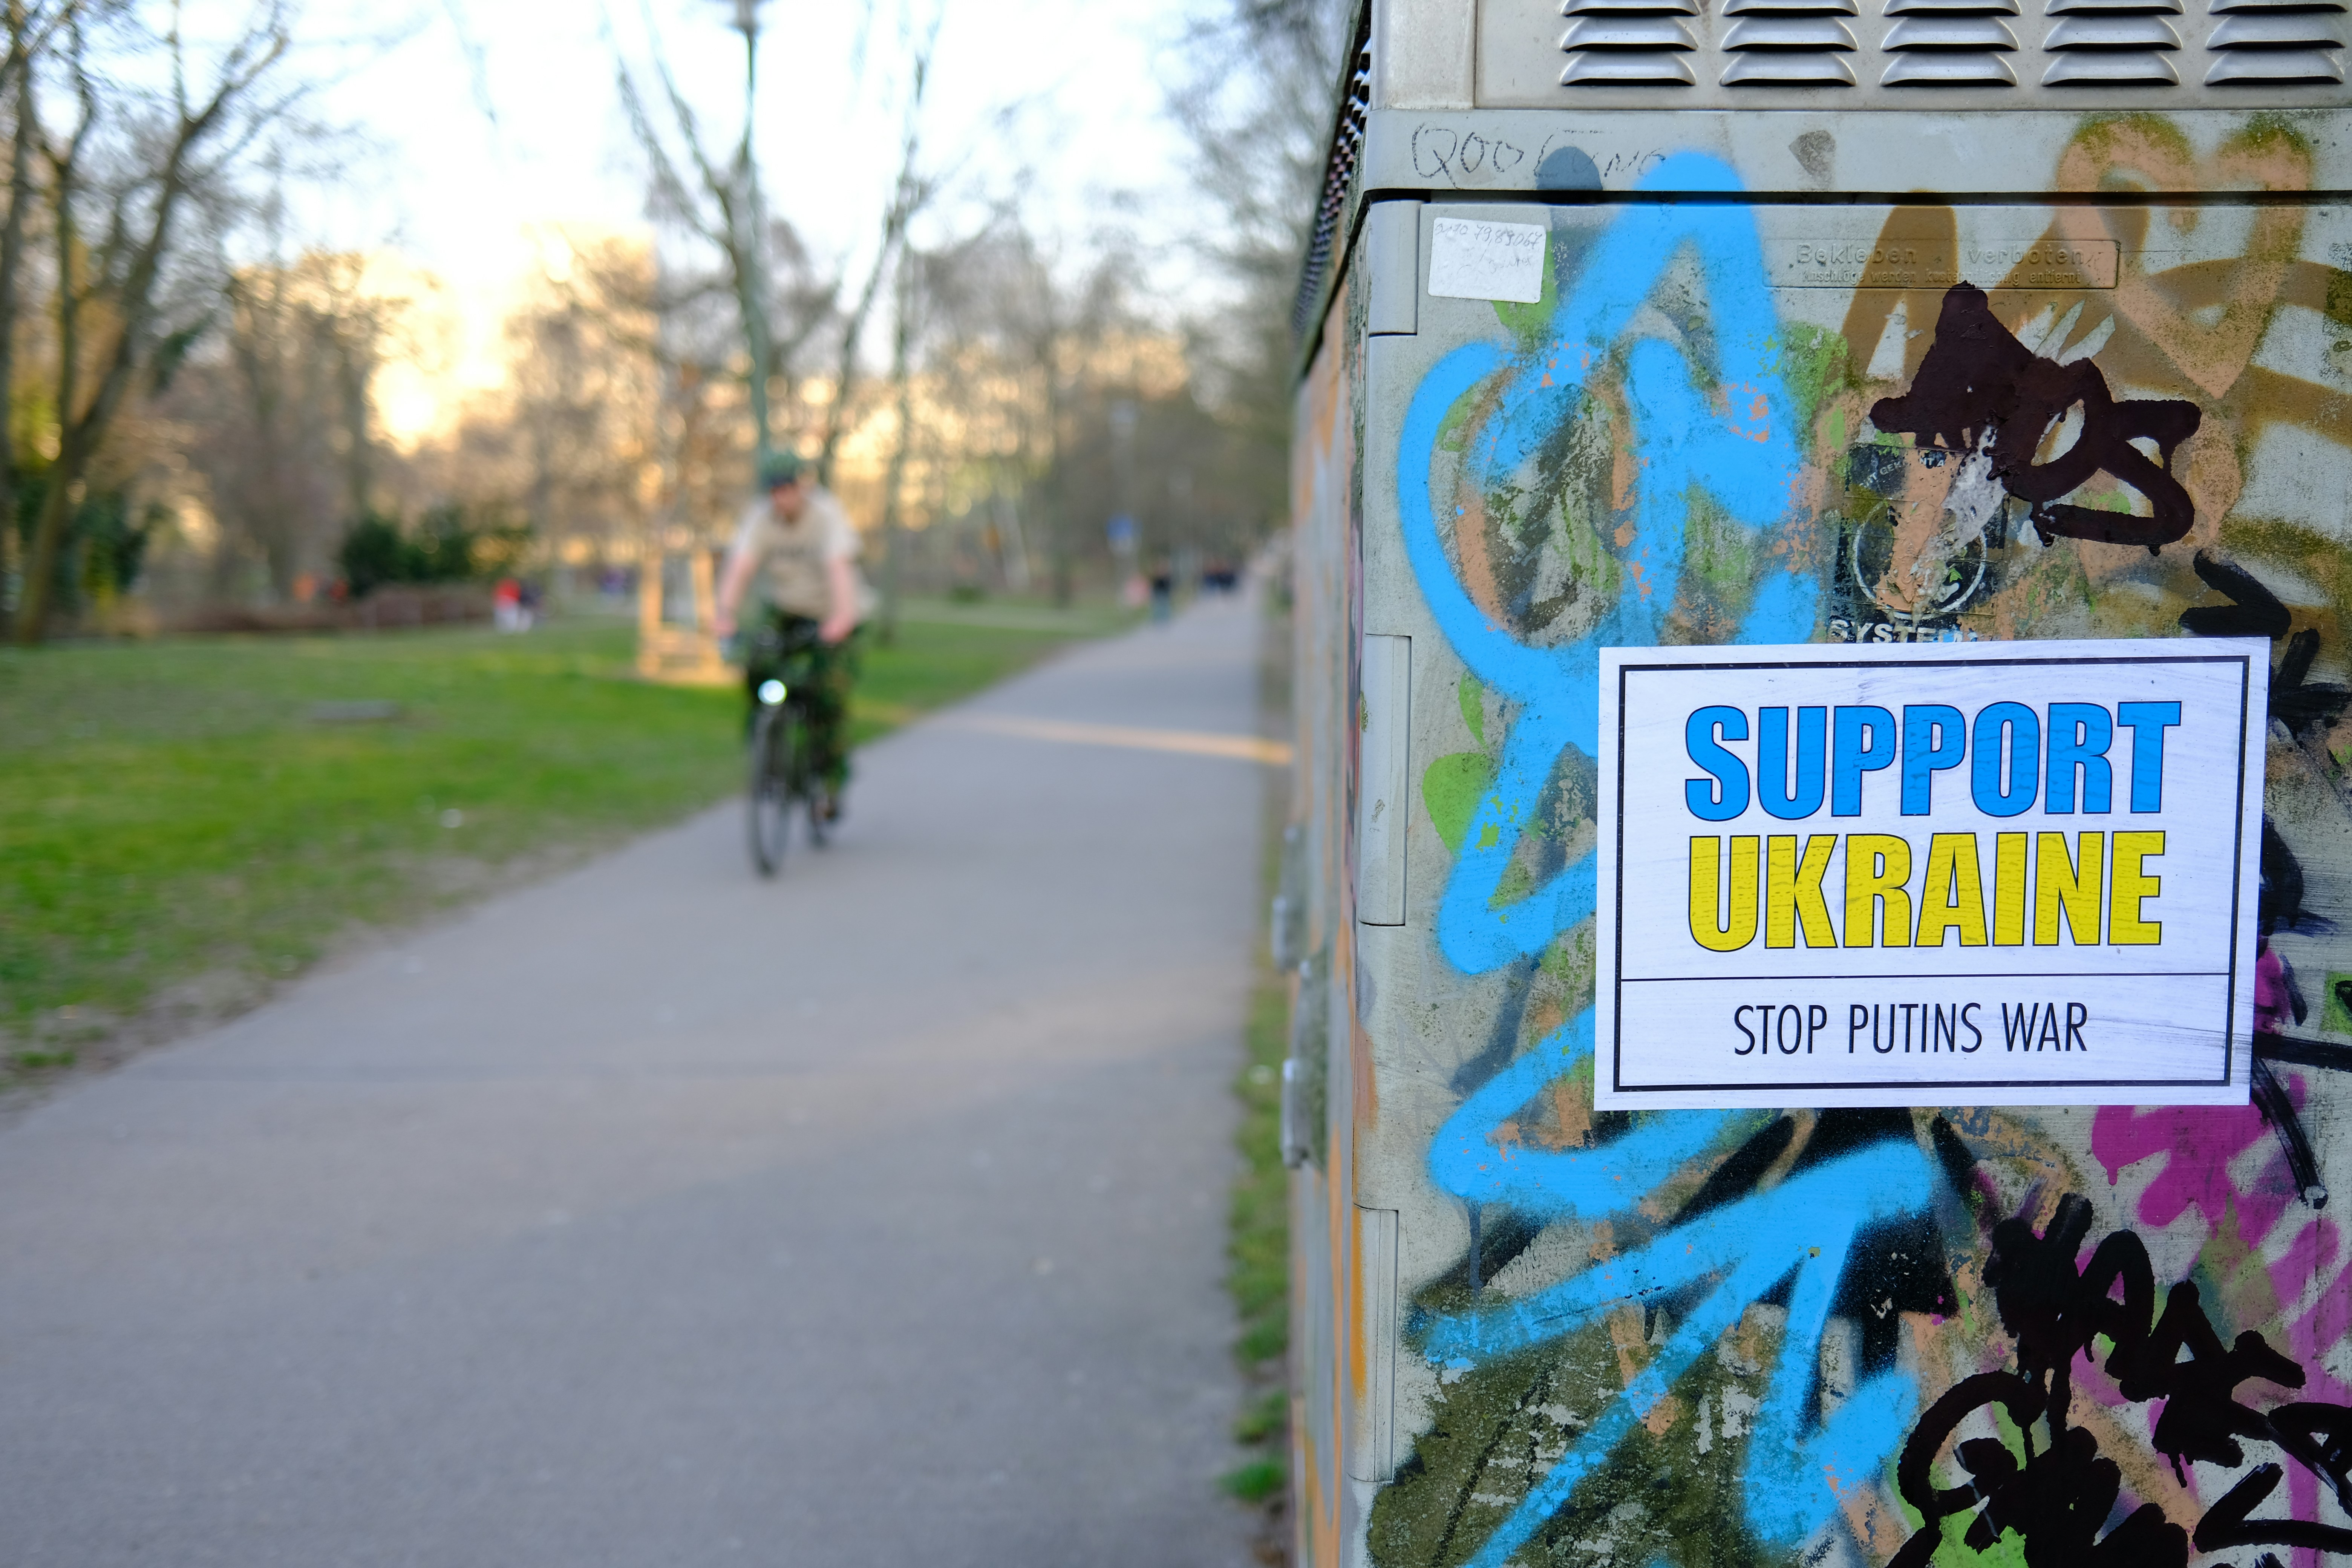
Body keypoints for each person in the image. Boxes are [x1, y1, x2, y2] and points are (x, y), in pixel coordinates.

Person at [714, 452, 869, 820]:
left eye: (788, 488)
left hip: (833, 612)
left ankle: (829, 783)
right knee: (758, 667)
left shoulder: (827, 515)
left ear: (802, 487)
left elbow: (839, 569)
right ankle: (767, 754)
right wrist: (725, 616)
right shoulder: (760, 518)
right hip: (786, 610)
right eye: (774, 490)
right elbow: (741, 568)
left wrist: (840, 620)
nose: (781, 497)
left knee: (828, 695)